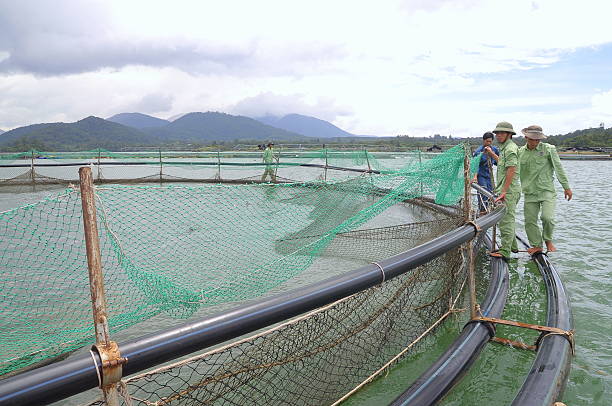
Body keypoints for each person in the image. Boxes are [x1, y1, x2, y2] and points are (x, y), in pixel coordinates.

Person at [518, 125, 572, 254]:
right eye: (533, 139)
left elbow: (558, 168)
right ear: (526, 138)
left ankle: (548, 240)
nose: (536, 142)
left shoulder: (548, 149)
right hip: (529, 192)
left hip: (546, 190)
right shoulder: (520, 152)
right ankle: (537, 245)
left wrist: (566, 187)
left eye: (538, 139)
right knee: (530, 221)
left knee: (547, 218)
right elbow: (512, 170)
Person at [487, 121, 520, 259]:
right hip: (507, 189)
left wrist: (504, 191)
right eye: (497, 133)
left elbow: (511, 170)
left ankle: (505, 251)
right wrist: (492, 155)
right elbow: (503, 163)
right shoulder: (505, 148)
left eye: (502, 133)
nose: (499, 135)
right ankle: (513, 246)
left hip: (509, 191)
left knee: (506, 221)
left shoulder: (511, 148)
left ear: (509, 134)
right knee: (509, 218)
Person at [472, 132, 500, 213]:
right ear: (483, 141)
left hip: (489, 175)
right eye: (487, 141)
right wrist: (475, 177)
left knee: (491, 193)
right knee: (483, 193)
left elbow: (499, 162)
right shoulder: (478, 152)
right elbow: (475, 166)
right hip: (481, 175)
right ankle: (482, 211)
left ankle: (489, 210)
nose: (488, 143)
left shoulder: (494, 150)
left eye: (490, 142)